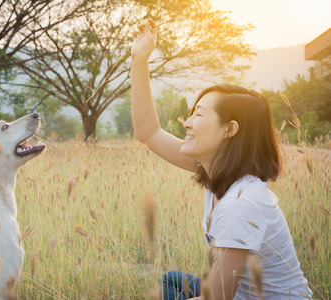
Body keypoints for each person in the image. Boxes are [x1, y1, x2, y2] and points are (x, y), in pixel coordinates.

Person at [130, 19, 312, 300]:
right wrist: (139, 58)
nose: (187, 122)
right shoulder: (217, 170)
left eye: (199, 115)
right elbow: (149, 132)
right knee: (170, 282)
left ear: (230, 129)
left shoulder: (242, 203)